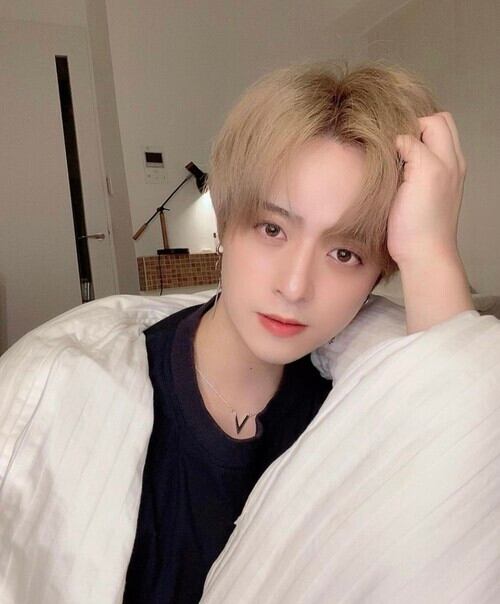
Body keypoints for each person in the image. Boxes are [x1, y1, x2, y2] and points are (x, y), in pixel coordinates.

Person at [0, 61, 473, 604]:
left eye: (344, 253)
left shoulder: (361, 404)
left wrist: (432, 251)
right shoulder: (75, 388)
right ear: (226, 223)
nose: (294, 286)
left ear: (377, 274)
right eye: (272, 229)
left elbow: (464, 511)